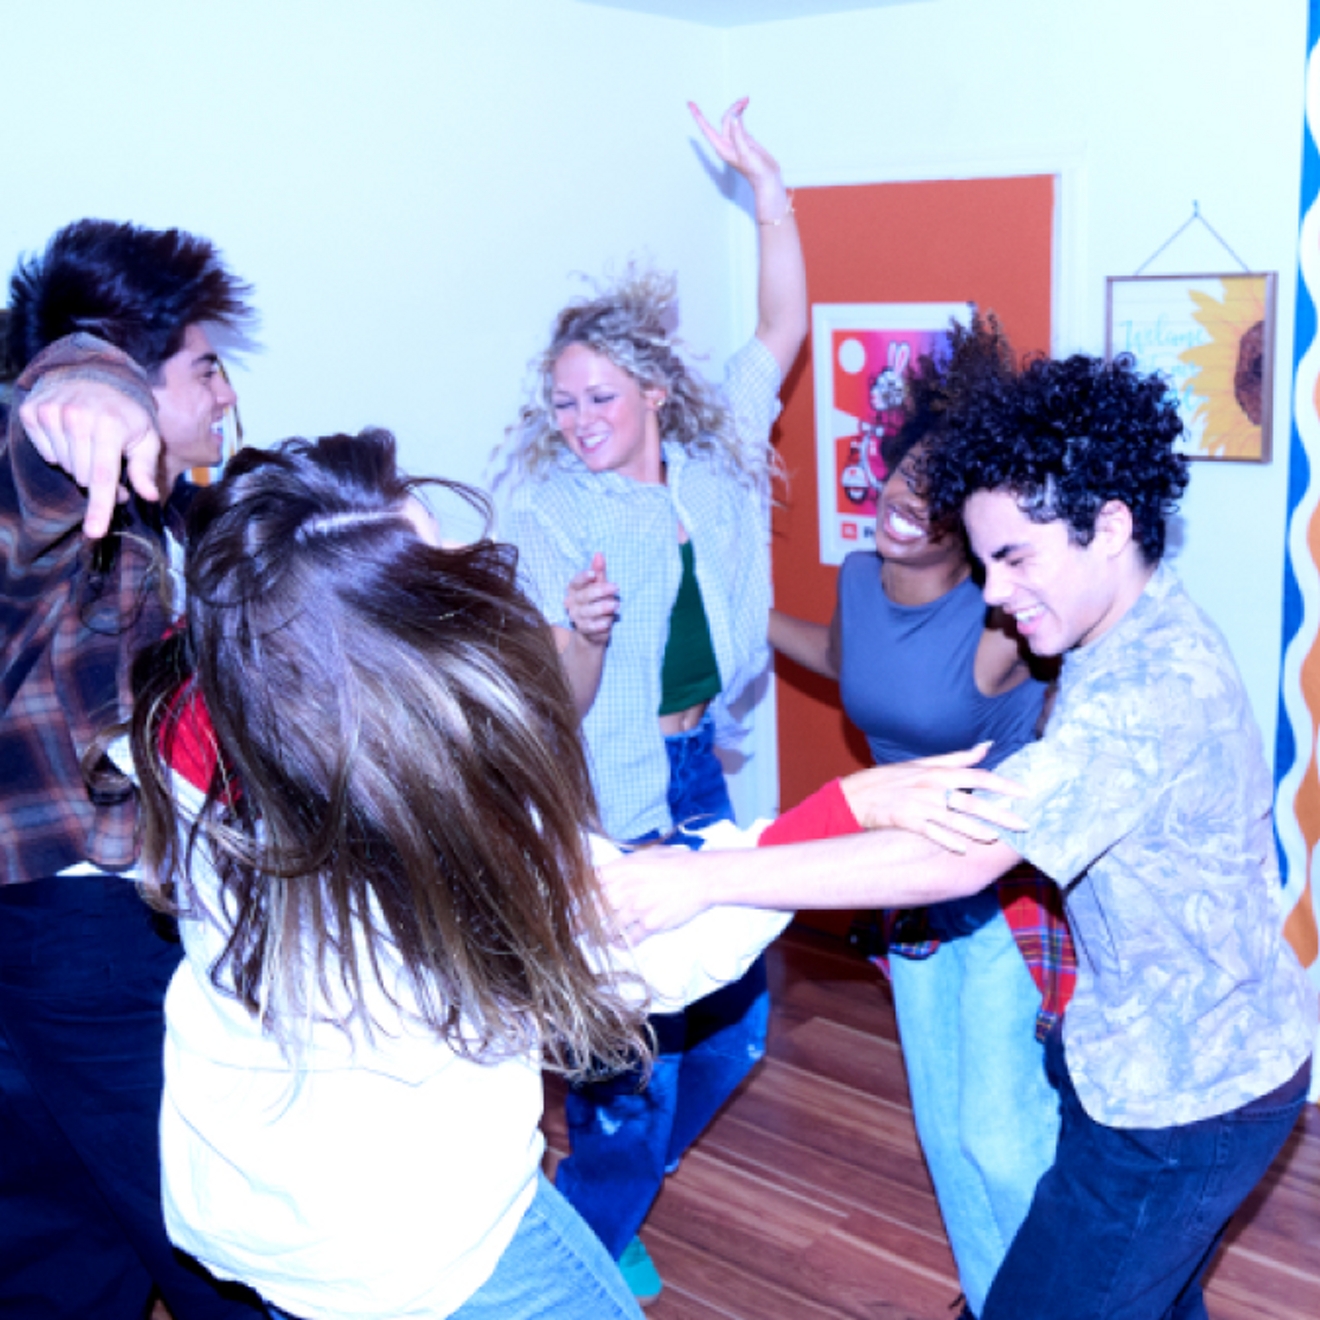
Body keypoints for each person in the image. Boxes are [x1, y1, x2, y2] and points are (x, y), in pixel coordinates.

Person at [605, 350, 1316, 1320]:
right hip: (1165, 1065)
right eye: (982, 562)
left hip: (1184, 1103)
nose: (990, 592)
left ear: (1108, 526)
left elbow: (964, 849)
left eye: (1015, 557)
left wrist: (712, 878)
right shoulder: (1125, 639)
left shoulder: (1153, 689)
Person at [116, 428, 812, 1320]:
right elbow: (644, 954)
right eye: (430, 562)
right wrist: (823, 833)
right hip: (424, 1252)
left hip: (261, 1213)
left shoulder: (217, 713)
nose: (461, 556)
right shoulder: (427, 820)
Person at [496, 97, 808, 1299]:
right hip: (603, 796)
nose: (576, 422)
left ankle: (604, 1193)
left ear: (656, 395)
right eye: (562, 400)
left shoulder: (721, 447)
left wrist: (767, 192)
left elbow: (781, 322)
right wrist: (578, 634)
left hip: (697, 777)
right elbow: (554, 702)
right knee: (627, 1065)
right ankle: (593, 1230)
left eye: (599, 399)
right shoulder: (554, 515)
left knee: (733, 1032)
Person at [767, 316, 1073, 1319]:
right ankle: (995, 1300)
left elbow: (1071, 655)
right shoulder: (859, 583)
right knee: (943, 1126)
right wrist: (742, 617)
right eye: (911, 471)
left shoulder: (997, 622)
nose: (911, 500)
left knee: (1001, 1130)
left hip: (993, 892)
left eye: (947, 496)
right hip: (902, 886)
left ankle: (1053, 1300)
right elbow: (851, 664)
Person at [0, 219, 264, 1318]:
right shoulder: (61, 478)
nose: (223, 394)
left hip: (41, 925)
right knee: (214, 1225)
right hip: (87, 932)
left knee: (59, 1232)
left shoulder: (161, 513)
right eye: (204, 366)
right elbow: (44, 449)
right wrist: (81, 386)